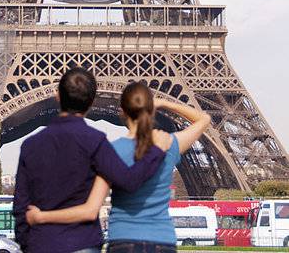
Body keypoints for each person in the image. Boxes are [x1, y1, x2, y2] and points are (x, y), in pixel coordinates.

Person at [26, 81, 211, 253]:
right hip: (162, 241)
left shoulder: (109, 151)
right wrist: (165, 103)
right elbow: (203, 119)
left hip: (123, 240)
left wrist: (41, 217)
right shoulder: (167, 143)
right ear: (150, 110)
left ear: (122, 112)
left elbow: (90, 210)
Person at [13, 69, 172, 253]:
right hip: (82, 242)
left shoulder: (30, 145)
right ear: (92, 102)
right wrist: (157, 150)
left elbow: (20, 206)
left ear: (57, 96)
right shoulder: (95, 141)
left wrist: (30, 243)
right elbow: (129, 181)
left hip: (41, 243)